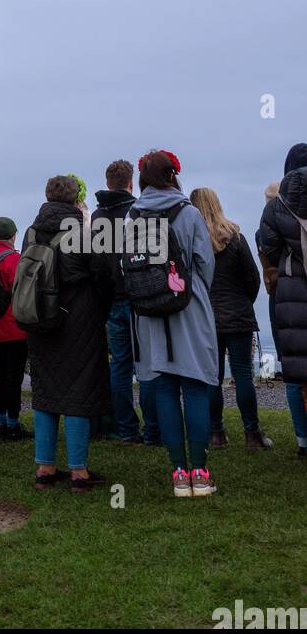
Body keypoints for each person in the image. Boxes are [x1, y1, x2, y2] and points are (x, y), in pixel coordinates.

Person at [132, 150, 218, 498]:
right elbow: (205, 262)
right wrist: (194, 292)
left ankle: (179, 473)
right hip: (189, 308)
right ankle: (200, 470)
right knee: (196, 386)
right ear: (173, 176)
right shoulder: (190, 213)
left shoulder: (132, 216)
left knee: (164, 389)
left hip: (150, 312)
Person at [25, 176, 113, 493]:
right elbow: (103, 275)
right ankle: (79, 472)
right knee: (78, 394)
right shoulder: (82, 233)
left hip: (40, 320)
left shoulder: (31, 232)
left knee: (45, 394)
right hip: (79, 319)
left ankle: (45, 468)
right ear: (76, 200)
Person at [190, 187, 272, 449]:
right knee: (243, 374)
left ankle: (216, 432)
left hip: (207, 318)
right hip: (238, 314)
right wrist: (244, 301)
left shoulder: (193, 241)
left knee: (213, 377)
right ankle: (252, 433)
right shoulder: (236, 238)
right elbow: (252, 277)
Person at [92, 160, 160, 447]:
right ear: (130, 182)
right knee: (146, 364)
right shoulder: (138, 212)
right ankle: (154, 428)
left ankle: (126, 428)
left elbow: (96, 262)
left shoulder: (98, 217)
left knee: (119, 365)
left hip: (111, 299)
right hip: (138, 298)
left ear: (108, 183)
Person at [257, 142, 307, 451]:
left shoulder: (275, 206)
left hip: (291, 291)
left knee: (296, 369)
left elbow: (270, 251)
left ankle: (303, 439)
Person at [0, 217, 31, 440]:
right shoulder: (14, 259)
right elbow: (22, 292)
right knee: (14, 377)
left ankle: (0, 423)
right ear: (12, 235)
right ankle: (13, 424)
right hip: (14, 327)